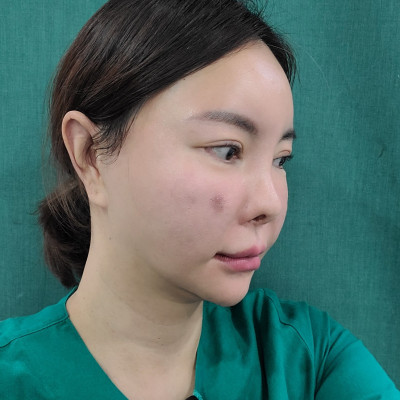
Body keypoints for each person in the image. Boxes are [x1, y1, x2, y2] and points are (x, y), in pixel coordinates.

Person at [0, 0, 399, 398]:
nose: (270, 204)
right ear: (91, 154)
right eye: (228, 151)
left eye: (281, 159)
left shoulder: (310, 359)